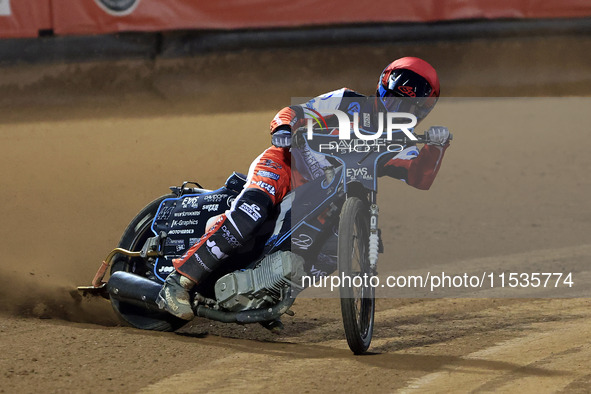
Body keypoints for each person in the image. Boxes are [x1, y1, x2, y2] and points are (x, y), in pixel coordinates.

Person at [157, 57, 451, 321]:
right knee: (253, 211)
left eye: (409, 107)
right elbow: (297, 112)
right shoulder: (347, 101)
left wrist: (436, 148)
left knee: (333, 249)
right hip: (286, 164)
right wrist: (283, 129)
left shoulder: (402, 139)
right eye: (395, 101)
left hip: (327, 198)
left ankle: (266, 293)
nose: (398, 110)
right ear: (382, 89)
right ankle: (178, 281)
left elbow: (419, 177)